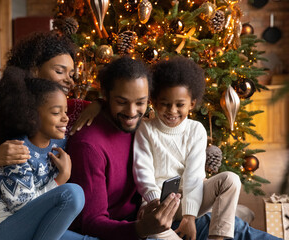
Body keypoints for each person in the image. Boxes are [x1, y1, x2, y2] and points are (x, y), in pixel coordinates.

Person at [0, 31, 101, 240]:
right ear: (34, 70)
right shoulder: (2, 119)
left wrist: (100, 104)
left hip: (51, 215)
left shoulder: (75, 110)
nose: (70, 81)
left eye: (71, 74)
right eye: (60, 71)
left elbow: (121, 108)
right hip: (5, 217)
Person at [66, 56, 182, 240]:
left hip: (145, 214)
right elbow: (91, 223)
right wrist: (142, 228)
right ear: (106, 95)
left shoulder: (142, 128)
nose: (131, 112)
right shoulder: (88, 146)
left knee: (236, 227)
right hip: (122, 230)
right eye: (121, 102)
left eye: (140, 102)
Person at [133, 56, 241, 240]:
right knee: (154, 232)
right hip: (157, 205)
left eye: (180, 105)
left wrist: (189, 217)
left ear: (191, 104)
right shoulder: (145, 129)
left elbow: (193, 177)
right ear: (155, 102)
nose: (172, 111)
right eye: (165, 104)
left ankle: (217, 237)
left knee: (231, 180)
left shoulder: (196, 130)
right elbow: (142, 171)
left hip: (188, 200)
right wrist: (154, 202)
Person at [0, 67, 84, 240]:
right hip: (0, 230)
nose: (65, 118)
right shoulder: (17, 152)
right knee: (73, 194)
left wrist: (99, 104)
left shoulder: (59, 143)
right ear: (32, 116)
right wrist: (61, 180)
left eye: (65, 111)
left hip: (34, 227)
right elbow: (22, 207)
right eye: (57, 113)